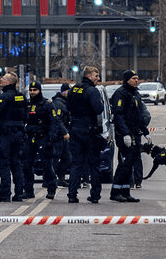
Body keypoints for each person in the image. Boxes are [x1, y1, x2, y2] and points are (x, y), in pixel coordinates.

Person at [0, 72, 33, 202]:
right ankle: (19, 193)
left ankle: (5, 193)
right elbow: (26, 116)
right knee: (17, 164)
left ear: (9, 82)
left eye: (3, 78)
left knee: (4, 164)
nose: (1, 80)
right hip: (19, 134)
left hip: (6, 134)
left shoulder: (4, 97)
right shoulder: (21, 97)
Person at [64, 66, 107, 204]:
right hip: (89, 131)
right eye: (96, 75)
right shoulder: (92, 91)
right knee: (94, 163)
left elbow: (68, 107)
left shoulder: (74, 89)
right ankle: (95, 195)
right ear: (89, 76)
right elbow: (99, 109)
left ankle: (72, 194)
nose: (98, 78)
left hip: (75, 129)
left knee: (77, 164)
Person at [109, 70, 149, 203]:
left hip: (135, 134)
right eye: (134, 78)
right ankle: (115, 192)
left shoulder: (135, 93)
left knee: (130, 164)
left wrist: (145, 132)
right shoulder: (121, 94)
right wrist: (125, 134)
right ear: (127, 80)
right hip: (124, 135)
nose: (137, 80)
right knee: (124, 164)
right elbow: (119, 116)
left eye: (138, 78)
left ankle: (126, 192)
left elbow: (138, 116)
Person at [29, 82, 69, 198]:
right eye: (31, 90)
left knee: (47, 165)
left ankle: (51, 188)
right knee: (27, 165)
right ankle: (28, 191)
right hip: (30, 137)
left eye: (34, 90)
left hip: (43, 138)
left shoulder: (47, 104)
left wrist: (51, 138)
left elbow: (55, 121)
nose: (32, 92)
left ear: (39, 91)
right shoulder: (27, 103)